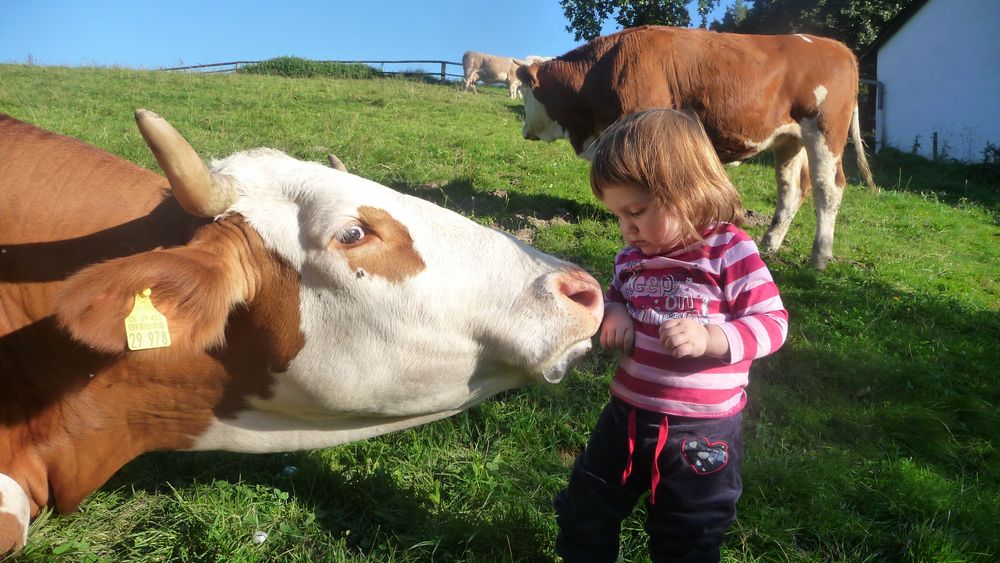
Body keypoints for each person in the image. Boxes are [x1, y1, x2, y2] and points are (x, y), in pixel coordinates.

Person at [554, 109, 789, 563]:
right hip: (625, 416)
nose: (627, 229)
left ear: (687, 191)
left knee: (689, 533)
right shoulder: (631, 258)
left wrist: (711, 338)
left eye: (637, 212)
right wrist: (616, 310)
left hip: (701, 433)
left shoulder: (729, 250)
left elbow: (773, 322)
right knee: (587, 505)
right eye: (618, 216)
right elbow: (617, 294)